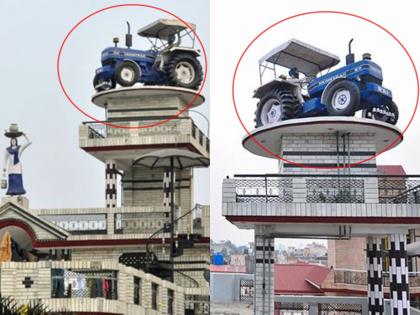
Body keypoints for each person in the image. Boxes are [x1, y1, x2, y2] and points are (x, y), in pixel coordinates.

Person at [2, 125, 31, 196]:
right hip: (11, 167)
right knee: (12, 179)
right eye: (12, 141)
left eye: (14, 141)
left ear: (16, 141)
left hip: (17, 166)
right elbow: (5, 159)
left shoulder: (19, 148)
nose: (13, 142)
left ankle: (19, 192)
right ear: (10, 141)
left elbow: (29, 142)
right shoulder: (7, 150)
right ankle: (11, 192)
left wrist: (24, 135)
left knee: (18, 179)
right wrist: (4, 168)